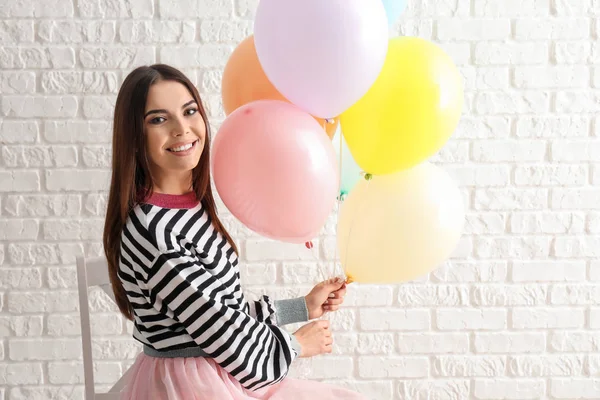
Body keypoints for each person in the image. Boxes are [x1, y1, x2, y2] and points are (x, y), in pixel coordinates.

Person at [102, 64, 369, 399]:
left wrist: (301, 307)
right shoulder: (152, 230)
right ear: (135, 135)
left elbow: (223, 306)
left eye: (189, 111)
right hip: (188, 384)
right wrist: (295, 345)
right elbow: (219, 328)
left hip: (216, 370)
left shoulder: (189, 208)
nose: (182, 129)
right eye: (158, 119)